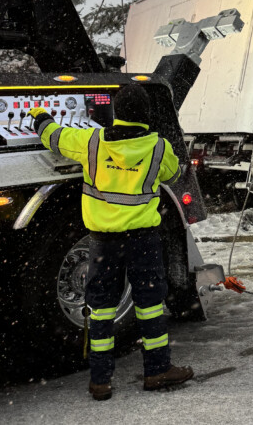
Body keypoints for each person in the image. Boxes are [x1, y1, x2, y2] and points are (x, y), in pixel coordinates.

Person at [29, 83, 193, 401]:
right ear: (146, 115)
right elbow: (172, 175)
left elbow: (54, 137)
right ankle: (157, 370)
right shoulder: (158, 148)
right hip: (143, 241)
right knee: (149, 305)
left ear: (115, 113)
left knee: (102, 308)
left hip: (103, 243)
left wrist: (39, 115)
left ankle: (101, 380)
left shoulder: (91, 142)